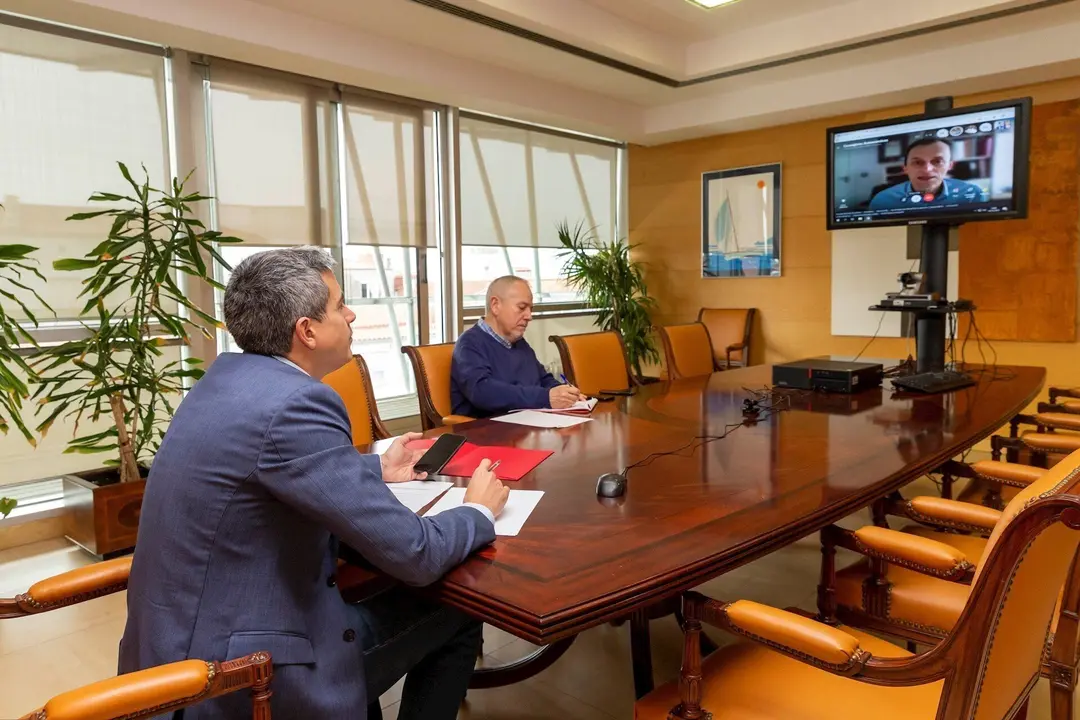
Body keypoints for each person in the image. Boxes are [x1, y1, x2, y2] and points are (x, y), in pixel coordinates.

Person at [118, 247, 509, 720]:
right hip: (242, 678)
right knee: (458, 612)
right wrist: (478, 511)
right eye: (340, 305)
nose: (351, 315)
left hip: (171, 650)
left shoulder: (225, 380)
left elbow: (265, 471)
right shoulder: (299, 402)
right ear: (307, 330)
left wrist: (375, 468)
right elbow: (415, 554)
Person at [451, 276, 584, 417]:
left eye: (530, 309)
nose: (529, 316)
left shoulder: (519, 343)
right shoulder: (469, 344)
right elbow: (483, 392)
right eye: (522, 307)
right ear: (495, 305)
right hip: (485, 432)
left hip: (527, 428)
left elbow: (543, 379)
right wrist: (545, 397)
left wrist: (563, 393)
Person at [868, 137, 988, 210]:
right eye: (918, 162)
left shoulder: (973, 194)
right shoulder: (882, 200)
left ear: (949, 166)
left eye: (937, 161)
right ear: (905, 168)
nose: (927, 169)